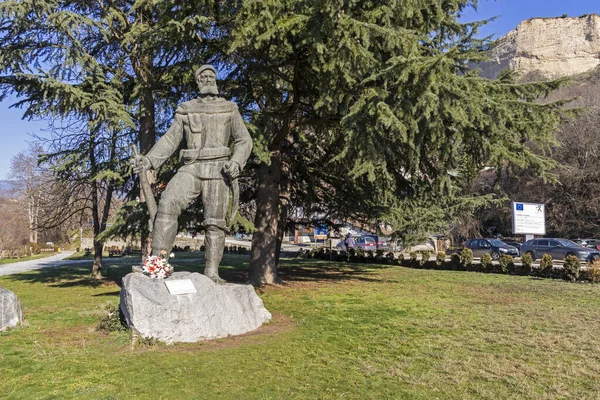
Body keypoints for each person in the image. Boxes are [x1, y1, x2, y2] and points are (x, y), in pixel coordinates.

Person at [132, 65, 252, 284]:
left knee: (215, 223)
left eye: (211, 76)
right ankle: (157, 265)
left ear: (216, 80)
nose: (207, 79)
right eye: (203, 76)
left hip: (218, 169)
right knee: (167, 205)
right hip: (191, 167)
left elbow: (244, 140)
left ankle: (212, 272)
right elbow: (170, 140)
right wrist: (149, 160)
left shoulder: (229, 108)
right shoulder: (187, 109)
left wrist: (236, 161)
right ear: (197, 81)